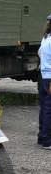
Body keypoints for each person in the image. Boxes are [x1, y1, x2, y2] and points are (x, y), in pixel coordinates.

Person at [38, 13, 51, 149]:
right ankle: (47, 141)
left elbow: (39, 53)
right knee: (49, 109)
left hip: (44, 77)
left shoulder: (45, 38)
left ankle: (42, 136)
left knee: (44, 107)